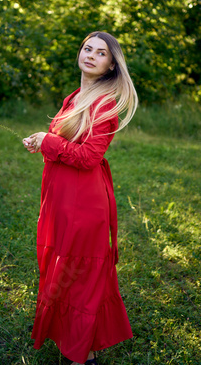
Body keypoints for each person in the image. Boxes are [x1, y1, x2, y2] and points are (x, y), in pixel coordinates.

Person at [23, 31, 138, 365]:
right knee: (64, 269)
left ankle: (83, 355)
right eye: (87, 48)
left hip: (84, 205)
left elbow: (88, 157)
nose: (90, 55)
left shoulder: (105, 104)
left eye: (100, 53)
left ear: (111, 66)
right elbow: (64, 143)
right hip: (62, 199)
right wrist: (42, 141)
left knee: (78, 276)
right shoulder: (76, 97)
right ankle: (74, 342)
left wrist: (49, 142)